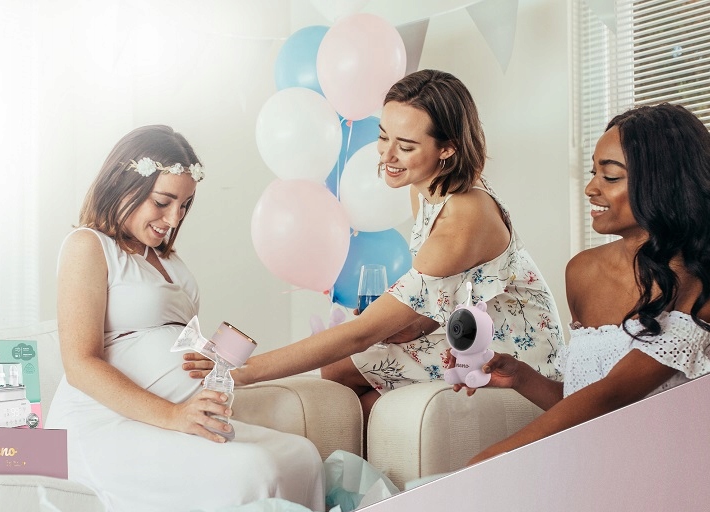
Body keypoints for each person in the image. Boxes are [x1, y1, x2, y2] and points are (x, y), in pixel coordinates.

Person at [213, 70, 564, 426]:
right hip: (475, 329)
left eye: (406, 147)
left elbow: (362, 333)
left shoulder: (462, 222)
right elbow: (454, 292)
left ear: (447, 148)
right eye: (383, 137)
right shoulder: (424, 191)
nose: (387, 155)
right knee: (351, 387)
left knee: (343, 373)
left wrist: (245, 370)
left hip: (516, 350)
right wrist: (414, 326)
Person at [45, 125, 324, 512]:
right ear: (122, 184)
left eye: (185, 204)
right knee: (252, 470)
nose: (174, 218)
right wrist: (174, 415)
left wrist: (218, 359)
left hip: (168, 417)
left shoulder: (167, 259)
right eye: (163, 202)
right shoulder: (89, 246)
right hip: (104, 423)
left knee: (301, 456)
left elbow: (171, 339)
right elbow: (80, 364)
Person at [455, 102, 710, 465]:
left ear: (664, 184)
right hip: (592, 464)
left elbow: (613, 394)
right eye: (593, 172)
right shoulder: (583, 272)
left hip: (667, 470)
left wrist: (487, 461)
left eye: (610, 176)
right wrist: (522, 378)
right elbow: (584, 402)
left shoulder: (700, 282)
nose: (590, 188)